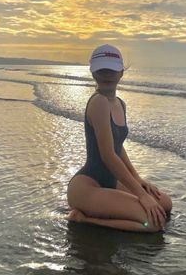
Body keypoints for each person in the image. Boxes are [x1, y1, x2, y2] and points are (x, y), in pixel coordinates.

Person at [67, 44, 172, 232]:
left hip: (111, 181)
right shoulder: (99, 102)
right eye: (102, 70)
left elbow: (117, 147)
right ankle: (84, 219)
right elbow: (108, 155)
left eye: (112, 70)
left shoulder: (120, 104)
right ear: (93, 73)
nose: (107, 75)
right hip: (87, 186)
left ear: (121, 73)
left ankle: (103, 209)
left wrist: (138, 180)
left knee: (165, 204)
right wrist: (141, 195)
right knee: (153, 223)